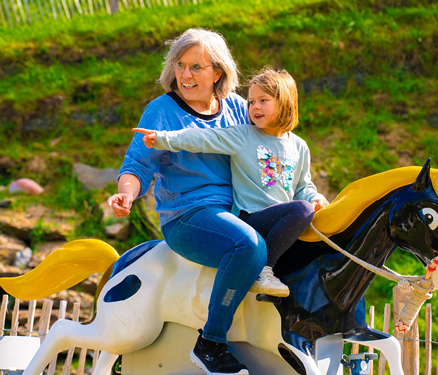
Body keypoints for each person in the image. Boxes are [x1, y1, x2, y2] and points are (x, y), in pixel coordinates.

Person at [107, 28, 268, 375]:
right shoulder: (161, 111)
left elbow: (271, 148)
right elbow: (136, 166)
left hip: (241, 209)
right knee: (249, 247)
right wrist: (127, 193)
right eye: (180, 65)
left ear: (219, 73)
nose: (185, 74)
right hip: (189, 216)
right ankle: (211, 342)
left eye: (197, 66)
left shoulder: (240, 109)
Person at [133, 67, 329, 298]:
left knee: (322, 238)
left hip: (280, 225)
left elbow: (303, 187)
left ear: (285, 103)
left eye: (263, 100)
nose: (254, 107)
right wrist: (163, 138)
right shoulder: (243, 135)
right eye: (251, 102)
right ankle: (264, 271)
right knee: (302, 210)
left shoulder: (299, 146)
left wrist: (315, 197)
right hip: (251, 218)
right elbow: (202, 138)